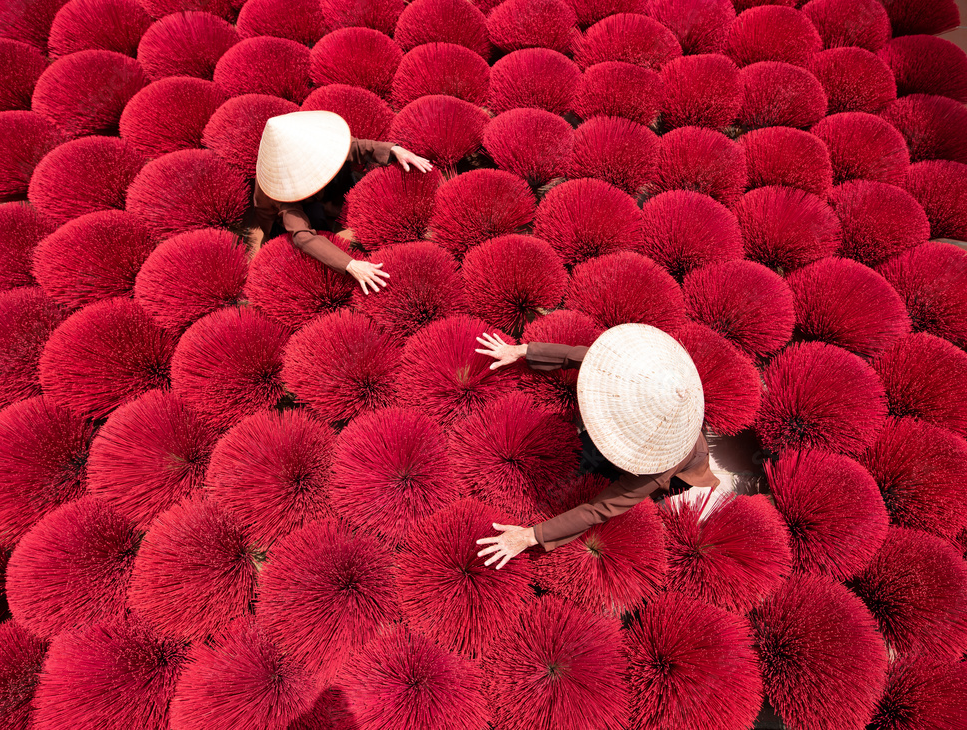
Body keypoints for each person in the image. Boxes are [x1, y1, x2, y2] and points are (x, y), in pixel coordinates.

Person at [474, 324, 720, 569]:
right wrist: (522, 351)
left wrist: (530, 537)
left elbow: (598, 510)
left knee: (610, 482)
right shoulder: (636, 375)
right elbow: (584, 357)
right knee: (579, 458)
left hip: (672, 470)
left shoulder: (659, 467)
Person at [248, 110, 433, 295]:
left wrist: (395, 150)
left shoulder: (318, 143)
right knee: (316, 219)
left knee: (344, 171)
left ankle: (338, 212)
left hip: (317, 197)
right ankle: (330, 236)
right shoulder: (280, 190)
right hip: (282, 222)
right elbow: (303, 236)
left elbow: (357, 147)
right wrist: (350, 264)